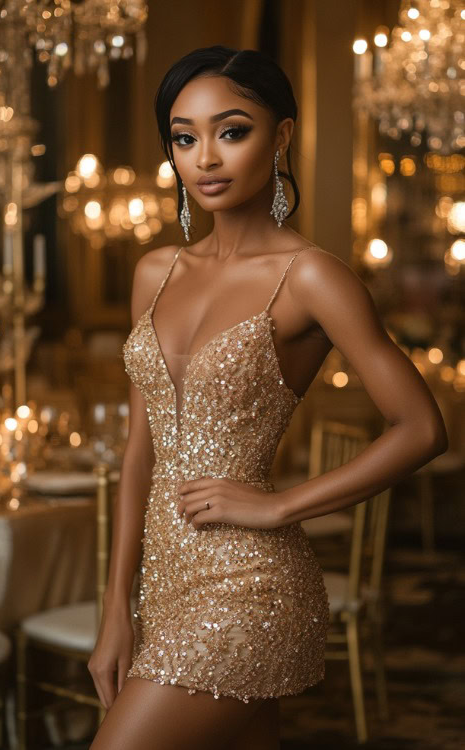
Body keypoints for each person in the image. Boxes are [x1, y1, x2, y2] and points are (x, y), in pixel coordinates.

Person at [87, 45, 448, 749]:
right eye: (185, 138)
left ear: (280, 136)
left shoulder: (312, 277)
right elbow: (141, 454)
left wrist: (280, 504)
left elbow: (421, 428)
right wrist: (116, 607)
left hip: (250, 585)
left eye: (233, 130)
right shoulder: (153, 272)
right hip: (163, 585)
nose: (207, 158)